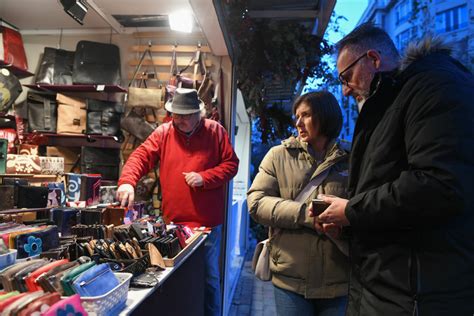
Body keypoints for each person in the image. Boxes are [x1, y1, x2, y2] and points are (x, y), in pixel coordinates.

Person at [315, 23, 474, 315]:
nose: (345, 90)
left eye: (347, 77)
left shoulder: (434, 86)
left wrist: (351, 211)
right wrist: (349, 227)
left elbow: (437, 186)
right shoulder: (393, 100)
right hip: (388, 287)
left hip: (415, 296)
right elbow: (386, 187)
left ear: (373, 60)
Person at [117, 88, 239, 316]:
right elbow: (141, 156)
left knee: (210, 278)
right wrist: (127, 181)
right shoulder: (163, 132)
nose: (179, 120)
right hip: (173, 225)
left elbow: (231, 164)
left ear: (198, 114)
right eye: (176, 114)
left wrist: (205, 177)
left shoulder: (215, 131)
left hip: (208, 226)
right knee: (176, 280)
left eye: (185, 115)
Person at [247, 91, 350, 316]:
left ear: (326, 117)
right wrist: (305, 214)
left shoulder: (352, 158)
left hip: (340, 280)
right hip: (290, 280)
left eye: (306, 115)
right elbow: (256, 202)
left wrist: (344, 218)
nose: (298, 122)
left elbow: (365, 207)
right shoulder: (278, 156)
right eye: (296, 116)